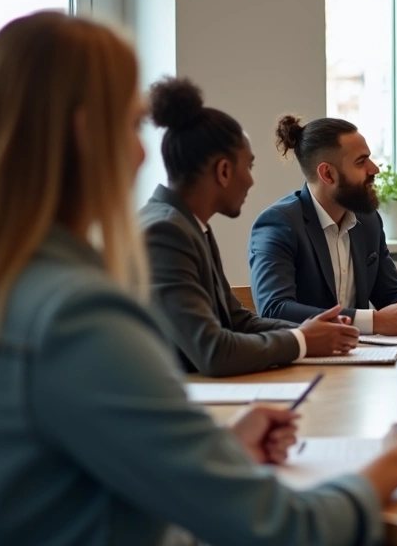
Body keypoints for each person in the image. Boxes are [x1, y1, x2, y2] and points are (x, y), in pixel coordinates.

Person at [0, 11, 397, 545]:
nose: (144, 151)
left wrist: (222, 451)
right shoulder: (76, 313)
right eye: (132, 124)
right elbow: (281, 529)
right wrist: (390, 467)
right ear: (85, 132)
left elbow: (69, 476)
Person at [140, 78, 360, 377]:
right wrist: (301, 340)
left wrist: (315, 330)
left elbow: (235, 320)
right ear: (224, 171)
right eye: (250, 167)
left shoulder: (187, 224)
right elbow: (213, 352)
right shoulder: (166, 232)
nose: (252, 181)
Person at [249, 115, 397, 334]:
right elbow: (275, 309)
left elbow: (392, 295)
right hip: (302, 362)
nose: (374, 169)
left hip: (360, 358)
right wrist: (374, 321)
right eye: (361, 162)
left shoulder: (368, 221)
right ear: (327, 174)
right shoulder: (278, 224)